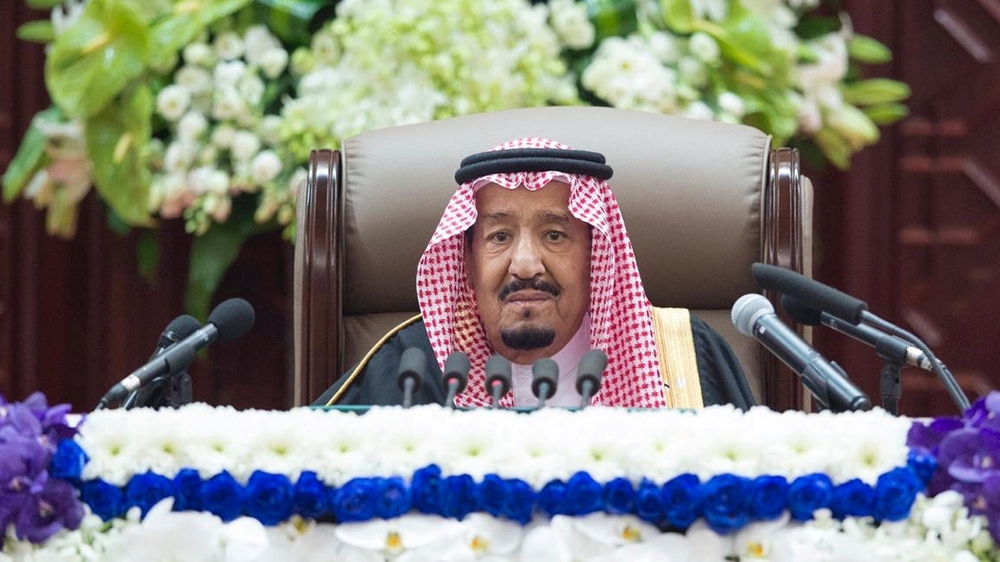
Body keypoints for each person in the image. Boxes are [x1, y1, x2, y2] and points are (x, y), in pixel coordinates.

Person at [314, 137, 755, 409]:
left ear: (595, 258)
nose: (525, 264)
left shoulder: (680, 354)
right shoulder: (410, 368)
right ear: (466, 261)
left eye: (555, 235)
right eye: (499, 237)